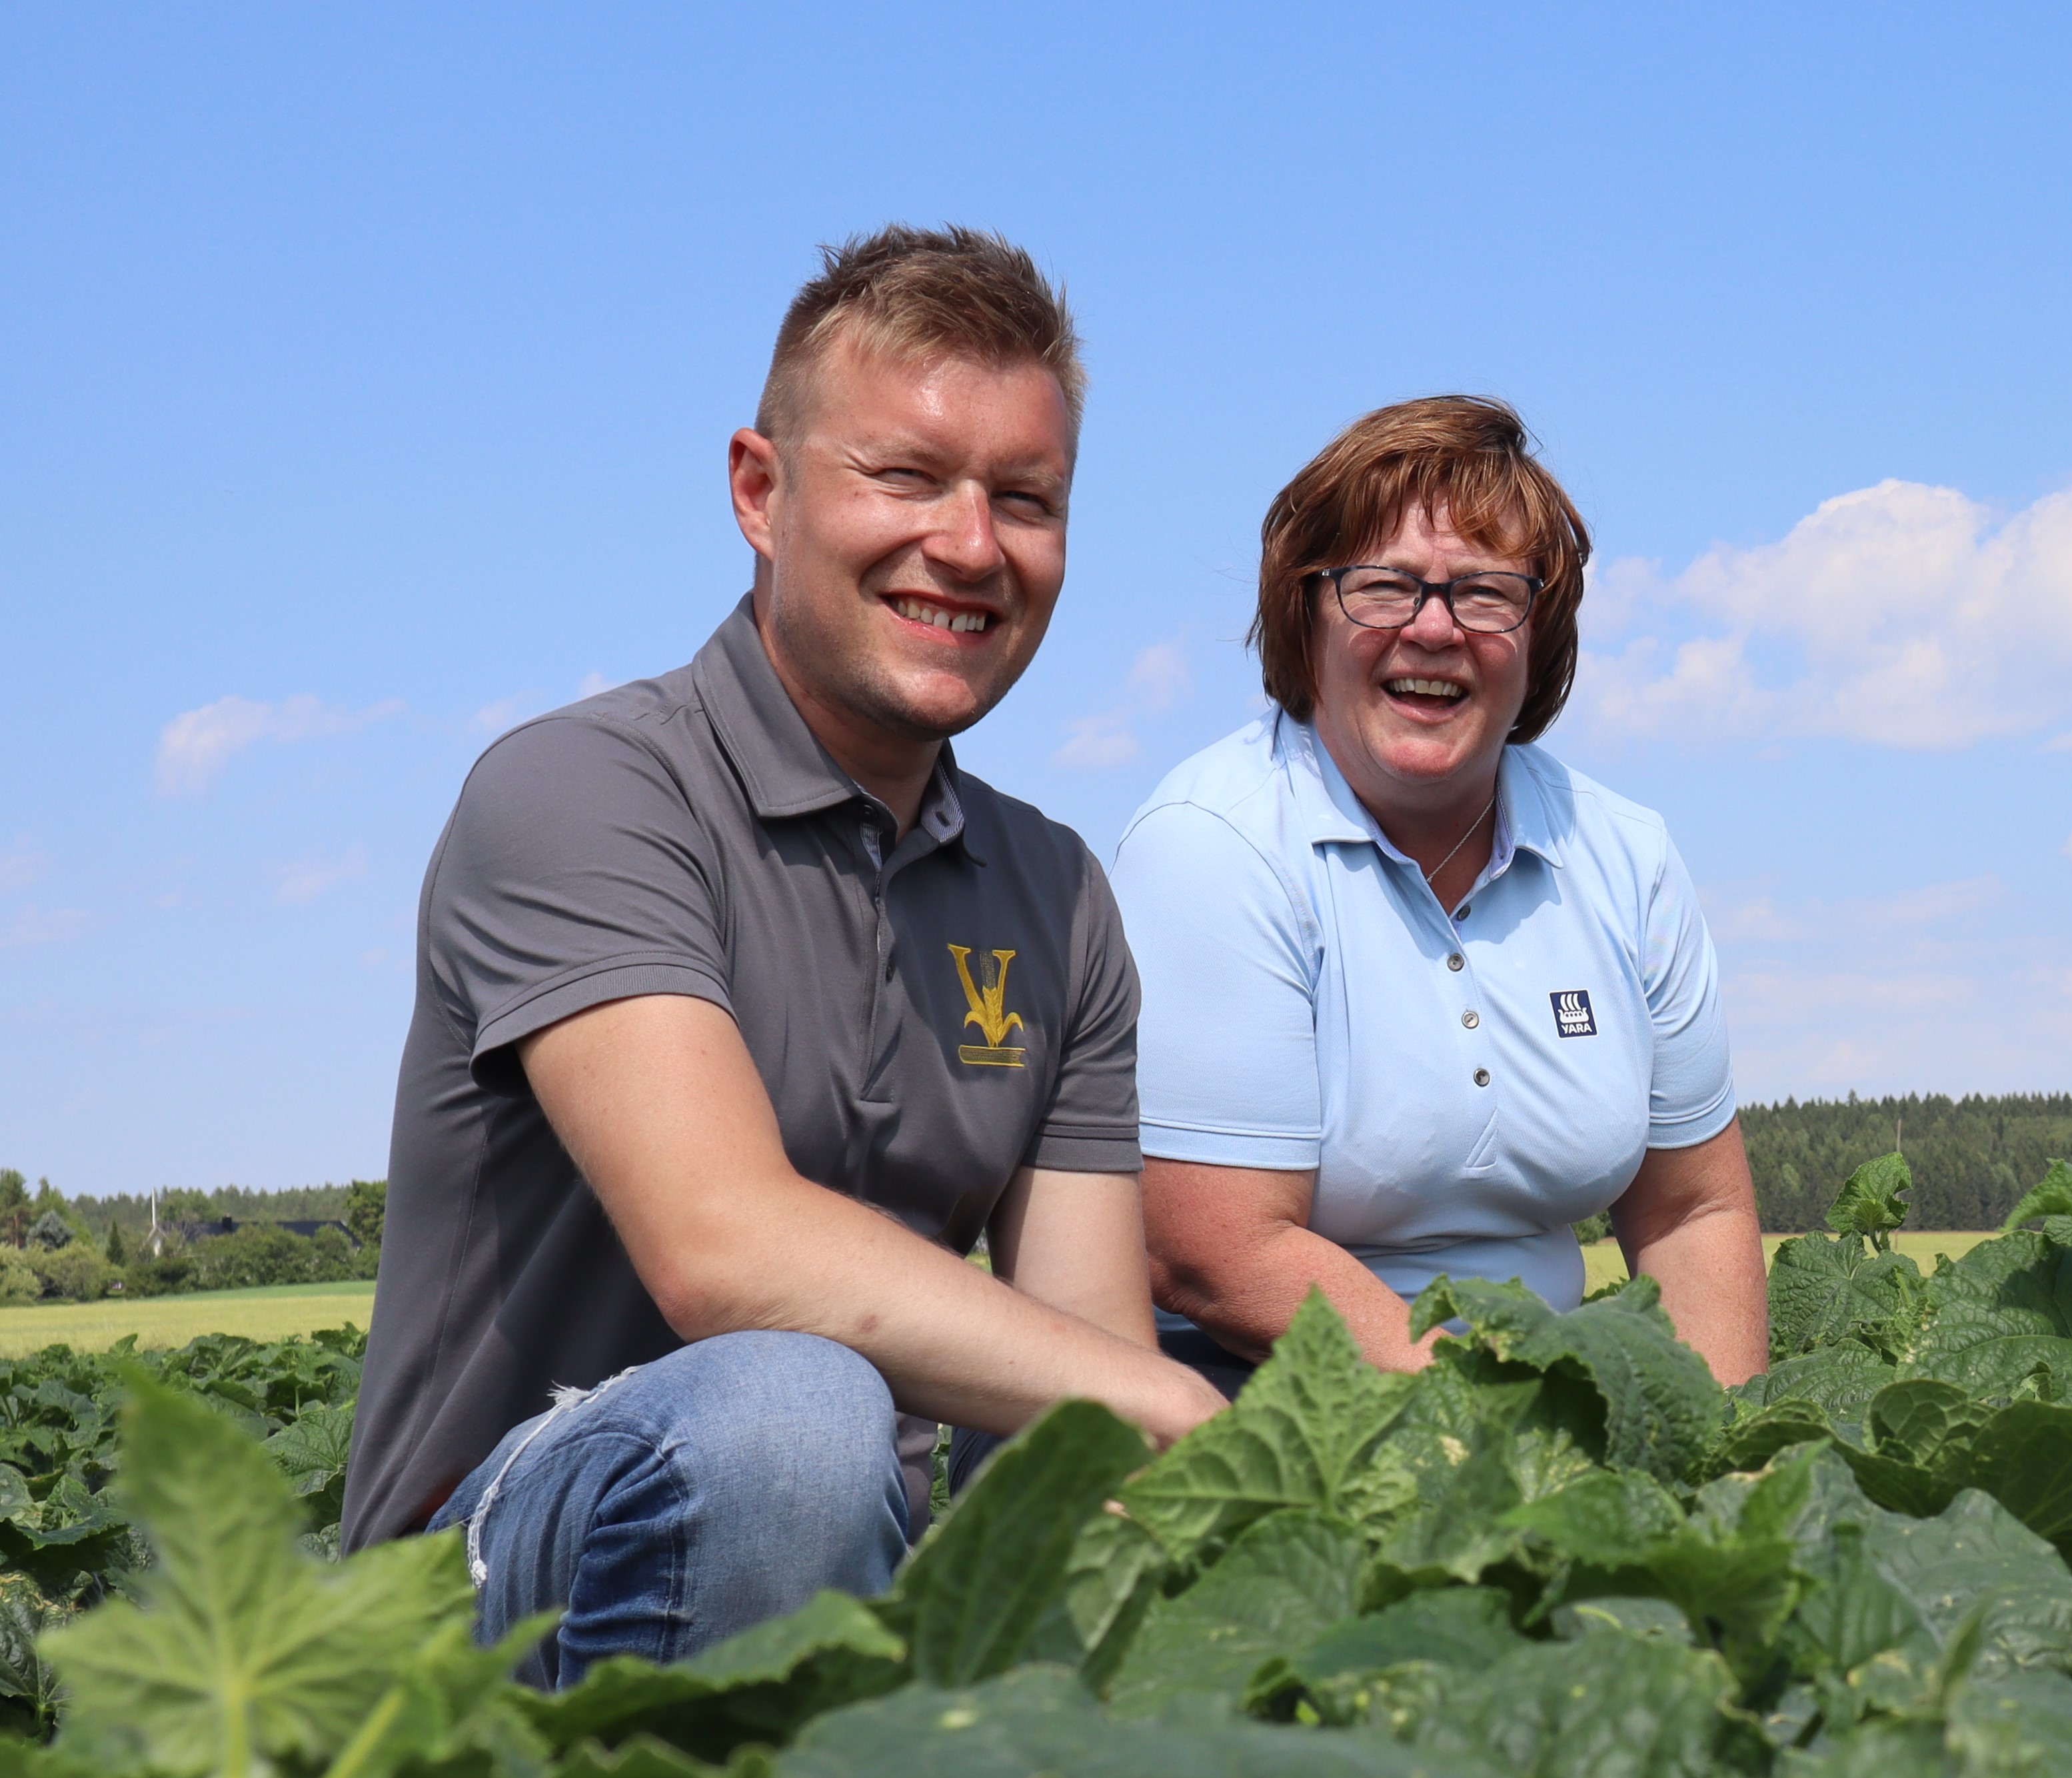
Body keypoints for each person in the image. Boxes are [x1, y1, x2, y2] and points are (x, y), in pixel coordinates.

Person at [341, 226, 1223, 1682]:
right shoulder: (582, 792)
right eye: (906, 476)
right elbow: (720, 1247)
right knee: (790, 1422)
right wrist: (1173, 1399)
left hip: (839, 1580)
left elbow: (1078, 1373)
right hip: (463, 1609)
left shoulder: (1056, 891)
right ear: (761, 491)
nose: (971, 543)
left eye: (1027, 498)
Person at [1112, 397, 1765, 1389]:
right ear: (1306, 613)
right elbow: (1216, 1253)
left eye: (1486, 592)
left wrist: (1717, 1457)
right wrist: (1509, 1430)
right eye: (1382, 587)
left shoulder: (1623, 857)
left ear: (1540, 632)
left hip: (1542, 1377)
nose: (1433, 629)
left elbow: (1692, 1212)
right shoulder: (1218, 845)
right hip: (1247, 1381)